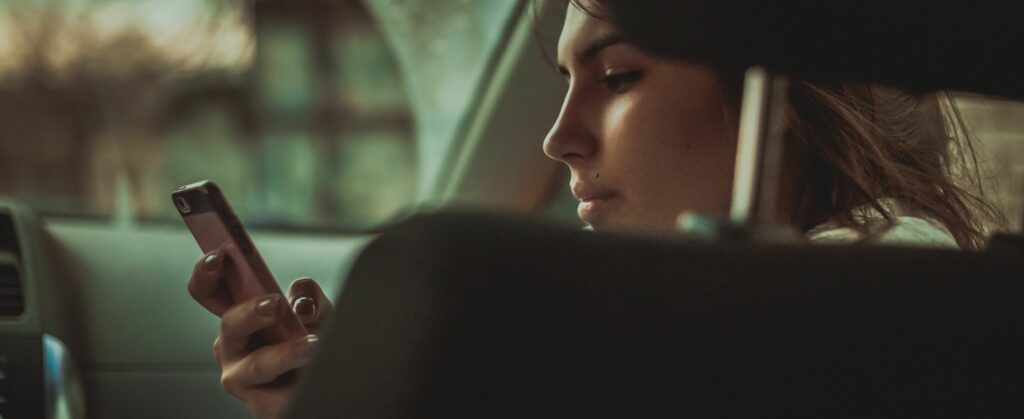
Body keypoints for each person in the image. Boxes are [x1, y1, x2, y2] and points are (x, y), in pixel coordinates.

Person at [187, 1, 1003, 417]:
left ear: (774, 91)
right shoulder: (703, 337)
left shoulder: (860, 328)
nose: (555, 140)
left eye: (616, 78)